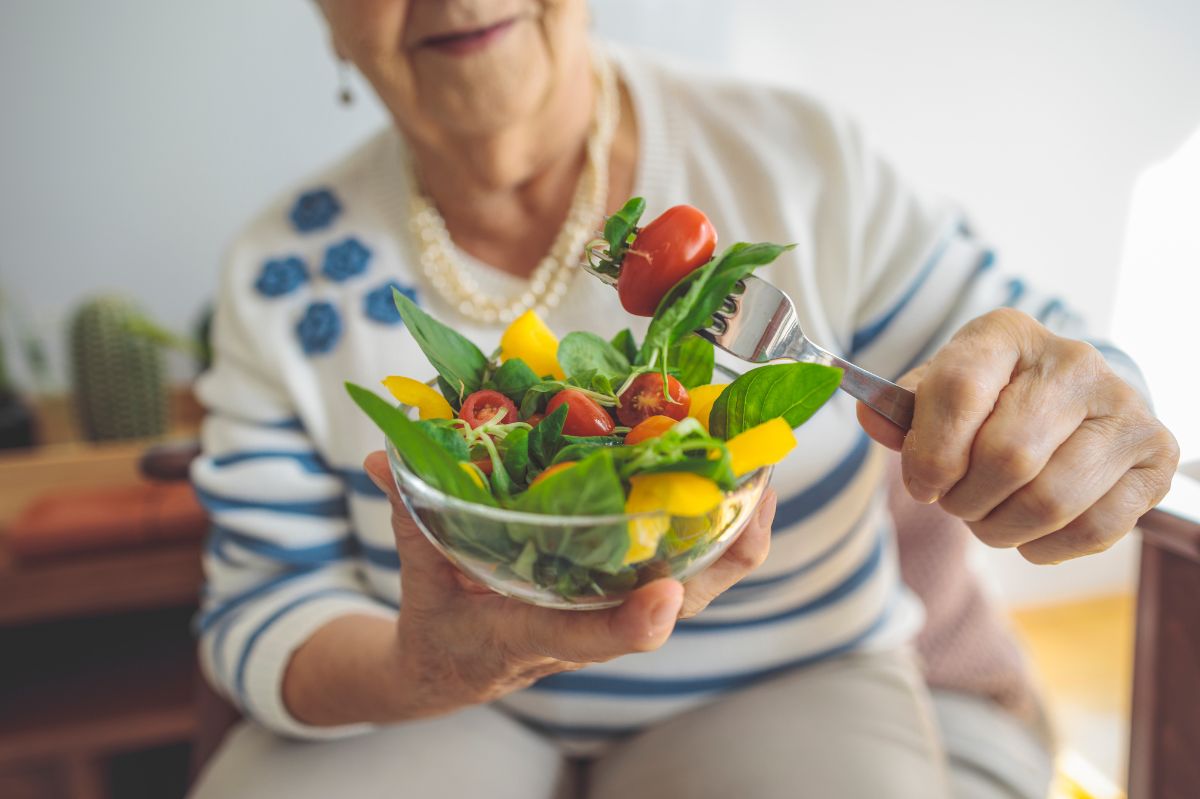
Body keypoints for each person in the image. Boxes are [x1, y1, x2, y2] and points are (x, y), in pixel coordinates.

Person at [187, 2, 1179, 797]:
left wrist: (1089, 408)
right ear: (324, 18)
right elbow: (264, 609)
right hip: (428, 705)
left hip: (794, 680)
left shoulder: (793, 154)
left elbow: (1038, 347)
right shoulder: (280, 271)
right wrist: (432, 667)